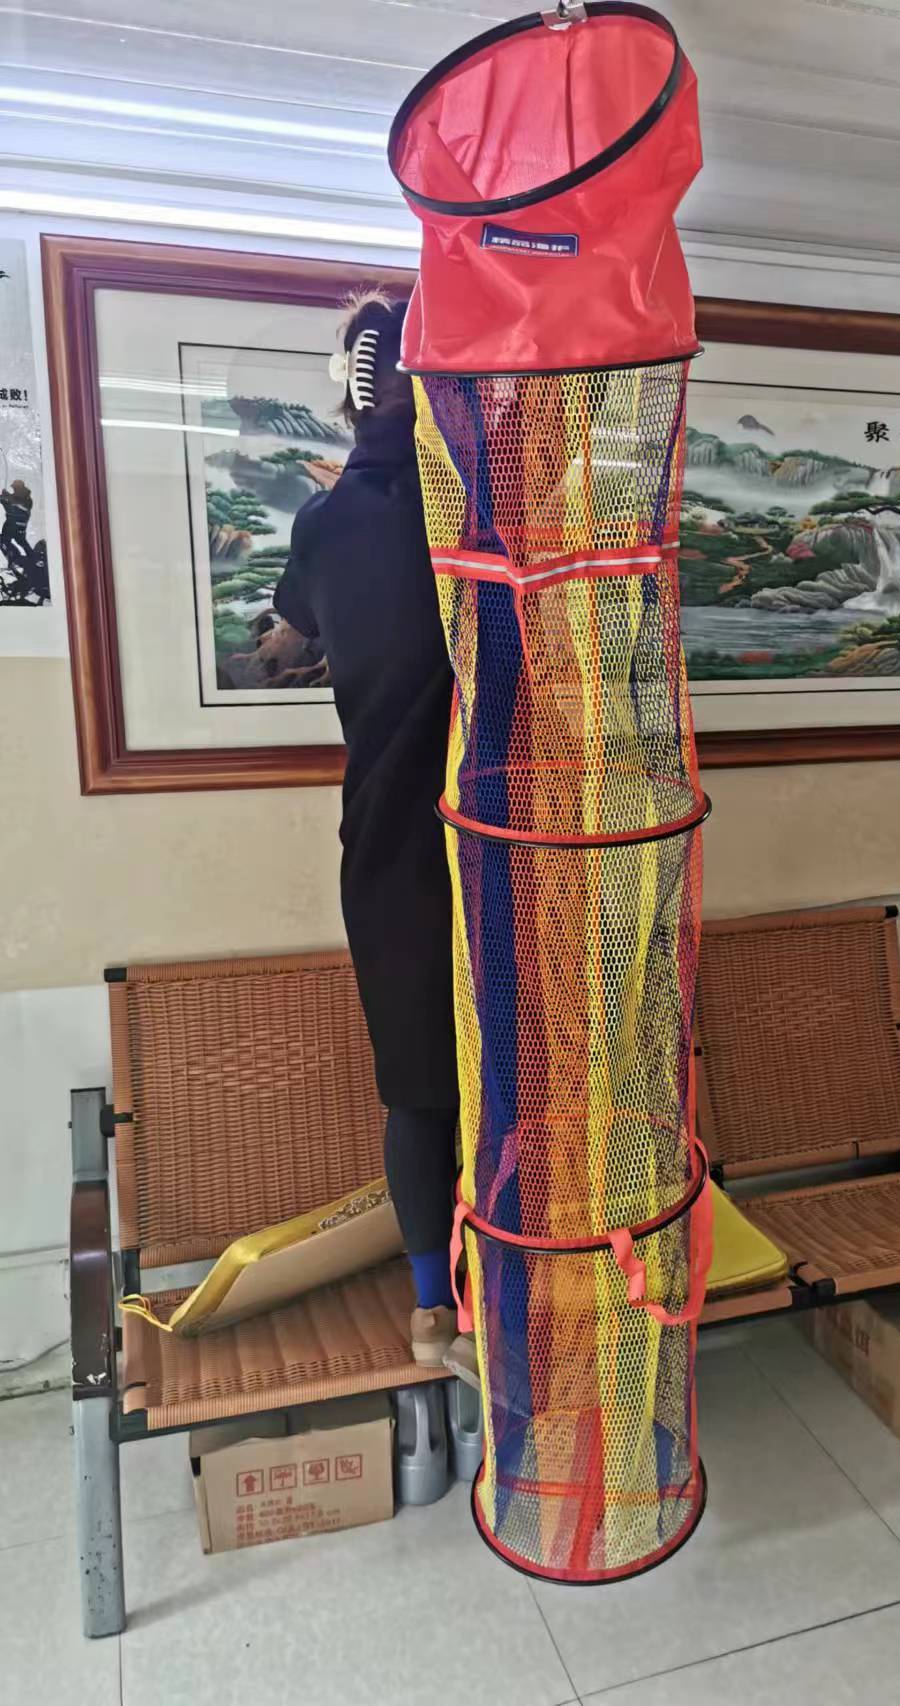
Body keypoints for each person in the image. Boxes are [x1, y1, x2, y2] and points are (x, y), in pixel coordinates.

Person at [274, 290, 473, 1379]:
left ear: (350, 398)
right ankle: (513, 1282)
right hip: (506, 837)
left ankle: (432, 1307)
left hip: (387, 845)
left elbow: (296, 628)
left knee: (418, 1081)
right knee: (513, 1065)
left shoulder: (322, 524)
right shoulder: (476, 506)